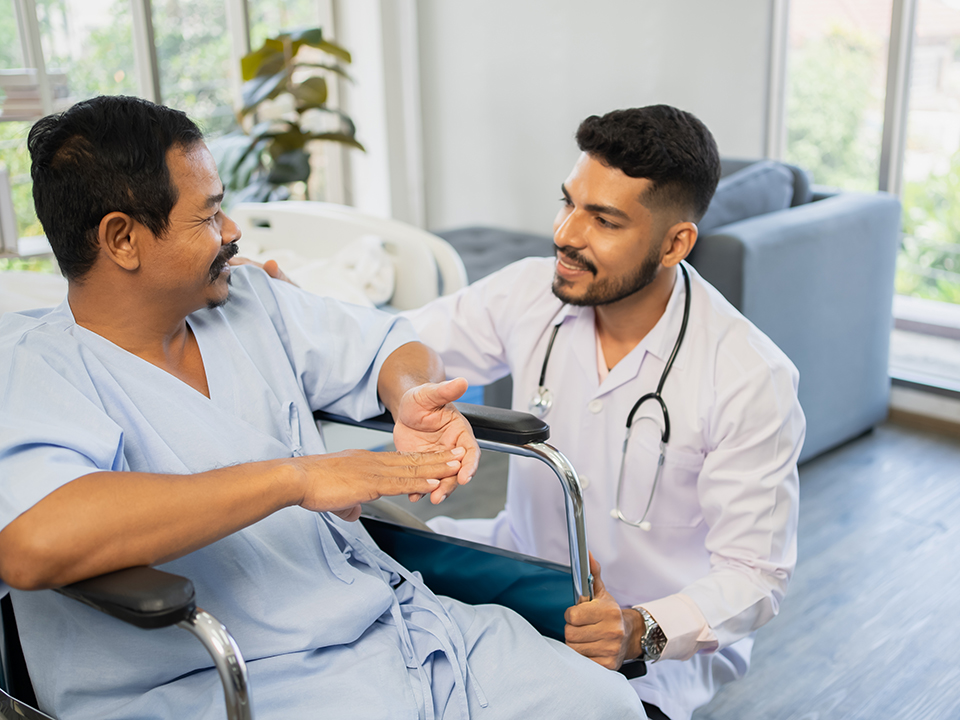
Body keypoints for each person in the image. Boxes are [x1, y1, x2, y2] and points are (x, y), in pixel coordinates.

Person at [0, 96, 644, 720]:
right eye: (207, 217)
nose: (232, 233)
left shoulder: (251, 300)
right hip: (222, 680)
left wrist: (411, 394)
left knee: (600, 703)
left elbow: (396, 345)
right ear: (123, 239)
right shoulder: (35, 370)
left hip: (393, 626)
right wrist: (298, 478)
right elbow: (33, 541)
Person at [404, 105, 805, 720]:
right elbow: (400, 345)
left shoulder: (750, 376)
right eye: (568, 203)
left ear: (675, 244)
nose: (566, 233)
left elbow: (755, 577)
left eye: (604, 221)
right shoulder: (528, 291)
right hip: (516, 578)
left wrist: (636, 629)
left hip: (644, 649)